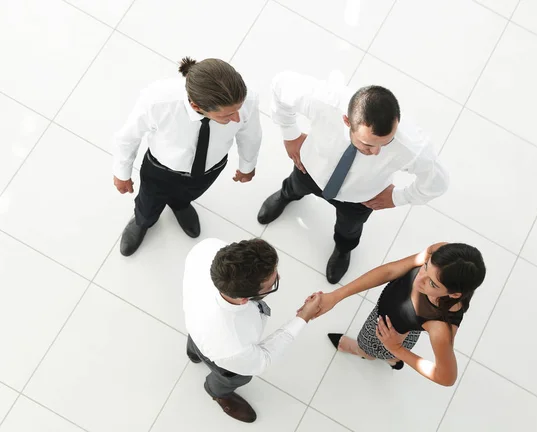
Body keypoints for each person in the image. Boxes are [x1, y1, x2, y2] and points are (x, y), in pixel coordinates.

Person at [257, 71, 449, 284]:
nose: (376, 151)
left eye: (385, 143)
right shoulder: (324, 100)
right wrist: (290, 134)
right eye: (368, 144)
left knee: (349, 229)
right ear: (347, 121)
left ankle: (343, 249)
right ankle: (286, 196)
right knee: (294, 186)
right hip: (310, 169)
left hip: (360, 197)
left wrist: (398, 198)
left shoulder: (413, 147)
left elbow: (437, 181)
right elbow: (280, 85)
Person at [113, 57, 262, 256]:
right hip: (160, 170)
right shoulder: (158, 101)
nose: (236, 118)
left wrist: (247, 166)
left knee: (189, 195)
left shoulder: (246, 100)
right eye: (226, 116)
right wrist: (122, 172)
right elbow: (128, 137)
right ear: (196, 106)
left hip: (209, 169)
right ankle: (143, 221)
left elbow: (250, 134)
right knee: (148, 201)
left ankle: (181, 206)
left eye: (237, 110)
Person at [183, 237, 322, 423]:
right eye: (272, 284)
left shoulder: (207, 248)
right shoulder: (234, 346)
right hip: (222, 355)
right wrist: (302, 317)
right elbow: (263, 359)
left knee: (196, 342)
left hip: (195, 322)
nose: (278, 278)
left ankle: (192, 352)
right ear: (243, 299)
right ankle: (217, 392)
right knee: (233, 378)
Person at [311, 242, 485, 386]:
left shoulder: (441, 330)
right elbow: (391, 271)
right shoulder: (441, 255)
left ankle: (366, 352)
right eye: (425, 266)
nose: (419, 278)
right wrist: (336, 296)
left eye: (432, 283)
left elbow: (446, 378)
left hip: (387, 332)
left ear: (454, 294)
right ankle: (392, 360)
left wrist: (397, 348)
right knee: (390, 351)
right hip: (394, 316)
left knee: (368, 345)